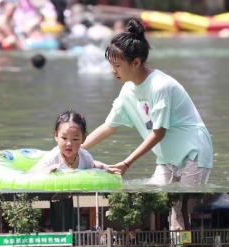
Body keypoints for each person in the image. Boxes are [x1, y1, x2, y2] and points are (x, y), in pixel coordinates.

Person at [82, 18, 213, 187]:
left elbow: (158, 133)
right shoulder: (128, 90)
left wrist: (126, 163)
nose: (112, 70)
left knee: (180, 209)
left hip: (194, 153)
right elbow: (109, 126)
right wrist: (76, 148)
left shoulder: (159, 86)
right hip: (167, 158)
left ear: (136, 62)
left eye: (117, 65)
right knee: (153, 197)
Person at [30, 110, 109, 173]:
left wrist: (106, 168)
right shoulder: (52, 158)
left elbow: (94, 166)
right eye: (64, 138)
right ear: (56, 136)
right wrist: (46, 171)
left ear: (84, 138)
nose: (69, 143)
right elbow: (31, 173)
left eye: (75, 139)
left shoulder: (85, 157)